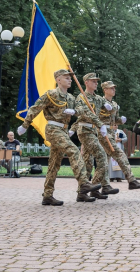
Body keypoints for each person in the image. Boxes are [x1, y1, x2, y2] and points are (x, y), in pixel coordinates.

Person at [16, 68, 102, 206]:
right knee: (73, 151)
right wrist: (25, 125)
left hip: (63, 130)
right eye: (66, 77)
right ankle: (84, 183)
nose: (70, 80)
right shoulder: (51, 94)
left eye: (70, 78)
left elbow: (84, 110)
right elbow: (35, 108)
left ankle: (48, 195)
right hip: (53, 129)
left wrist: (75, 111)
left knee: (54, 164)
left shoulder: (71, 98)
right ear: (58, 80)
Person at [70, 72, 122, 200]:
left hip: (94, 132)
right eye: (93, 81)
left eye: (97, 81)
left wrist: (111, 108)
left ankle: (82, 193)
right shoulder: (81, 97)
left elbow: (107, 106)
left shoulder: (98, 98)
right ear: (86, 82)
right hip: (85, 130)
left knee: (87, 163)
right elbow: (84, 113)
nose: (96, 83)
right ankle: (94, 185)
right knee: (102, 156)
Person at [98, 80, 140, 189]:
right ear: (105, 90)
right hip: (102, 132)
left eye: (114, 88)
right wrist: (100, 126)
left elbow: (115, 120)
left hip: (111, 132)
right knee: (120, 154)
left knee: (103, 162)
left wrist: (121, 120)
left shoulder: (114, 104)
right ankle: (131, 180)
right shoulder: (99, 101)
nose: (113, 90)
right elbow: (94, 116)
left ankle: (96, 186)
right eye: (111, 88)